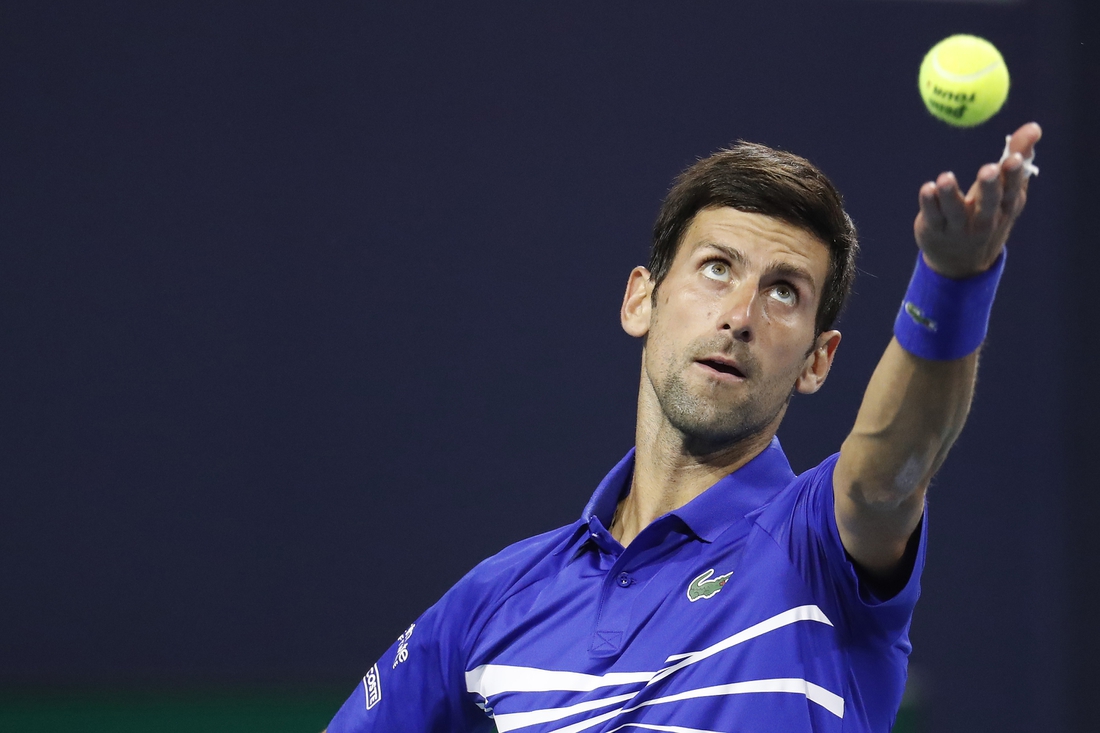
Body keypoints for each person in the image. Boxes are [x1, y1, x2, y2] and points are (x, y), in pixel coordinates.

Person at [325, 122, 1042, 733]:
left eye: (784, 291)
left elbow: (895, 464)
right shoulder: (498, 597)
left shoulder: (818, 546)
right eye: (716, 268)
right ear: (643, 298)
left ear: (817, 361)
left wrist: (952, 283)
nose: (739, 316)